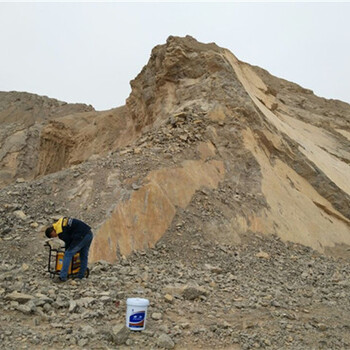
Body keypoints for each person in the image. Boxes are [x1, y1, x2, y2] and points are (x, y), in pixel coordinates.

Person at [45, 217, 93, 282]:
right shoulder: (60, 223)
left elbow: (68, 242)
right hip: (89, 233)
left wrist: (67, 251)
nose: (55, 237)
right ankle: (81, 275)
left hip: (81, 236)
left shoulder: (60, 231)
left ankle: (62, 277)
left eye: (53, 236)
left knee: (68, 254)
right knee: (83, 255)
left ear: (52, 232)